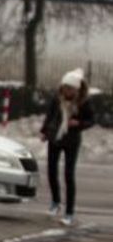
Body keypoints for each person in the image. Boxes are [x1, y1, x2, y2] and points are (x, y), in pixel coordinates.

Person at [41, 69, 93, 227]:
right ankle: (55, 201)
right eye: (65, 87)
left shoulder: (83, 102)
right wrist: (44, 131)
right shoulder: (57, 99)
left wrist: (79, 124)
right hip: (55, 138)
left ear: (77, 89)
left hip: (71, 140)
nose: (66, 91)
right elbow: (50, 116)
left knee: (68, 175)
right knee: (51, 170)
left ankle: (69, 212)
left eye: (70, 88)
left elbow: (91, 120)